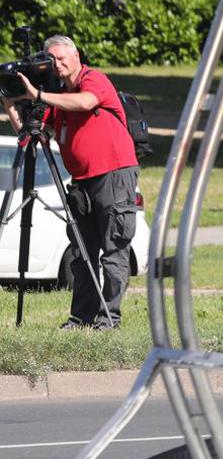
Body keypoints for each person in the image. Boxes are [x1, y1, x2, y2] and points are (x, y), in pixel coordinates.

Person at [1, 35, 139, 330]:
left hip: (113, 175)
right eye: (52, 60)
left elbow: (86, 102)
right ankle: (81, 317)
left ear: (76, 56)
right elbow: (29, 131)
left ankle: (109, 319)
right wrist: (10, 101)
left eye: (62, 58)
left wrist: (38, 95)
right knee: (80, 251)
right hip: (81, 182)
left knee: (113, 250)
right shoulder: (57, 95)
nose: (58, 64)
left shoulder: (93, 80)